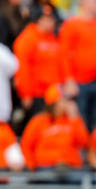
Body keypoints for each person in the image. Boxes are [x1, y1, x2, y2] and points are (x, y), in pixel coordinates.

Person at [59, 0, 96, 131]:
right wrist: (69, 79)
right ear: (82, 3)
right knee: (81, 122)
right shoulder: (71, 25)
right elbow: (64, 54)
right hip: (80, 83)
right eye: (95, 1)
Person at [13, 3, 64, 131]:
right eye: (47, 19)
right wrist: (26, 94)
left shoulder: (54, 38)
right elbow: (22, 69)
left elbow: (61, 63)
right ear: (38, 20)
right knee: (37, 127)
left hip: (54, 93)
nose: (51, 22)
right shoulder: (27, 39)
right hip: (37, 94)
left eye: (52, 19)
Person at [20, 85, 89, 171]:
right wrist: (31, 165)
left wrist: (74, 118)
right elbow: (26, 145)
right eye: (64, 100)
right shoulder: (39, 121)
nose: (68, 103)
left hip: (70, 166)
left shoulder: (73, 120)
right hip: (45, 166)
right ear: (54, 103)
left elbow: (83, 142)